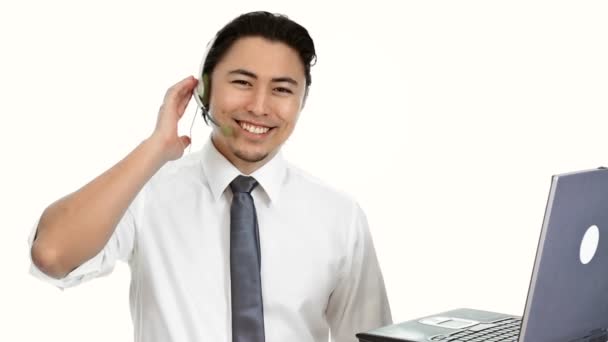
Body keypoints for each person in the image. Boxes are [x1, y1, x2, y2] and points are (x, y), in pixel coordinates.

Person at [28, 11, 392, 342]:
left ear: (302, 101)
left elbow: (370, 338)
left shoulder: (339, 216)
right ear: (203, 87)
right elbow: (52, 253)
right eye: (242, 82)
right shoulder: (146, 192)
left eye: (282, 89)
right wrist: (156, 147)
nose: (260, 107)